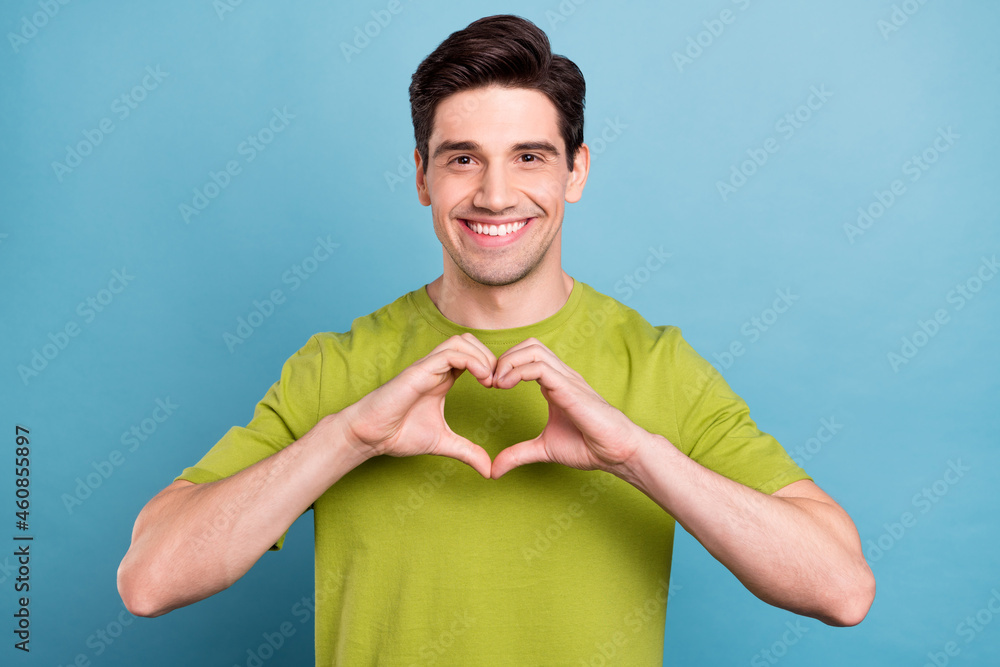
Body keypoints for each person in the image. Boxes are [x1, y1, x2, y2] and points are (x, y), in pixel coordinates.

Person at [117, 14, 875, 665]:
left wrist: (637, 455)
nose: (494, 193)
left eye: (530, 156)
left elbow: (841, 588)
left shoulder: (657, 364)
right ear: (422, 176)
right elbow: (149, 578)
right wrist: (349, 436)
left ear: (576, 171)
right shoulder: (337, 367)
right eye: (462, 158)